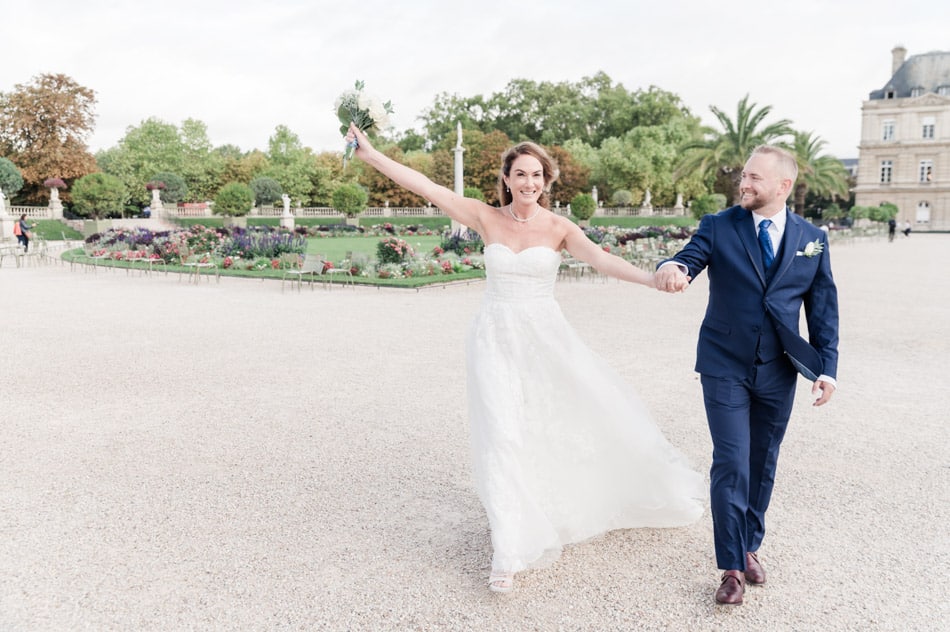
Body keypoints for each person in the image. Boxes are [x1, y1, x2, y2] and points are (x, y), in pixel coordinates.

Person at [344, 123, 703, 594]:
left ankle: (553, 501)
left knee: (556, 421)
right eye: (520, 174)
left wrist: (650, 278)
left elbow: (601, 260)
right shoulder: (485, 217)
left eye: (537, 175)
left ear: (546, 180)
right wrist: (371, 155)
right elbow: (427, 187)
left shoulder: (559, 228)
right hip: (493, 337)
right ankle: (509, 547)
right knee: (501, 431)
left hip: (544, 338)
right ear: (507, 179)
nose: (529, 183)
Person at [655, 145, 839, 606]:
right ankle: (732, 566)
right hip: (723, 364)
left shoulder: (812, 237)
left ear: (783, 186)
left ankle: (750, 543)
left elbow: (823, 309)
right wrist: (673, 267)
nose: (745, 183)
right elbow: (688, 257)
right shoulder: (719, 226)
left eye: (755, 178)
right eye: (744, 176)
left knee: (763, 462)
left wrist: (827, 369)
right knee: (732, 461)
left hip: (780, 368)